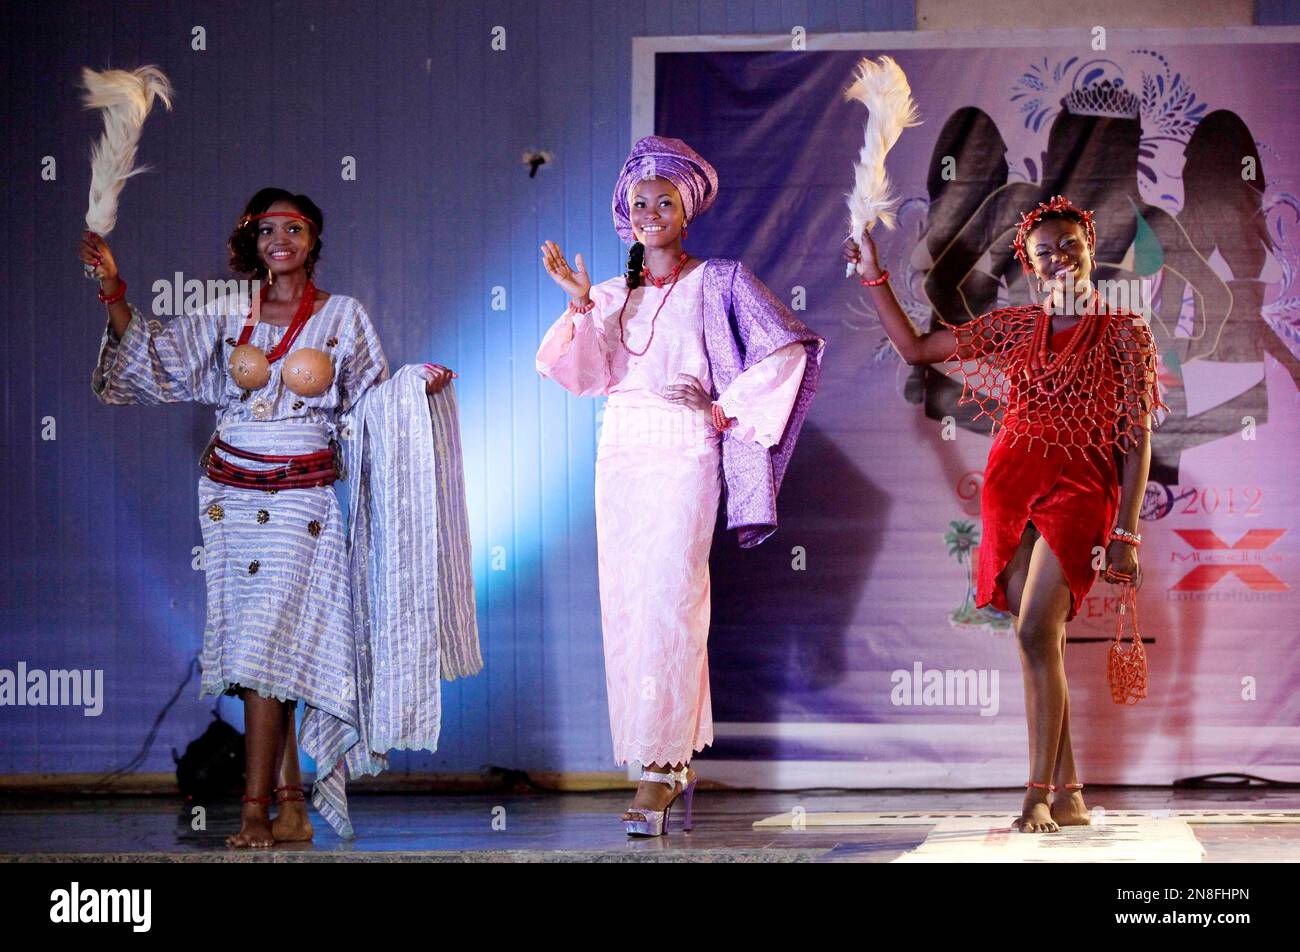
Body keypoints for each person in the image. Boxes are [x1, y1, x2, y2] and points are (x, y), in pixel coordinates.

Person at [83, 187, 469, 846]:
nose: (280, 240)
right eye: (267, 231)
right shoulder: (229, 311)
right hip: (231, 494)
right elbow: (156, 360)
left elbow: (368, 406)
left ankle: (254, 813)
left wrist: (412, 388)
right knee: (265, 650)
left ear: (314, 239)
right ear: (253, 244)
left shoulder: (344, 316)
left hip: (304, 501)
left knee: (268, 647)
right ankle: (292, 805)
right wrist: (115, 291)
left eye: (293, 228)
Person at [845, 195, 1165, 832]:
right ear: (1029, 262)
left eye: (1069, 244)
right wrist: (872, 274)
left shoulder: (1125, 331)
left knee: (1031, 633)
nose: (1058, 257)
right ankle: (1070, 792)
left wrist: (1126, 530)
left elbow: (1135, 440)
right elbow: (915, 349)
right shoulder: (1016, 327)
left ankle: (1036, 795)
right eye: (1043, 250)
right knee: (1040, 642)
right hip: (1010, 490)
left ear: (1090, 248)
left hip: (1081, 496)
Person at [536, 136, 823, 836]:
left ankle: (661, 771)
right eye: (639, 202)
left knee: (671, 598)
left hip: (684, 450)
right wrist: (580, 308)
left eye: (665, 201)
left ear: (687, 211)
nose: (650, 211)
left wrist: (731, 406)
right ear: (624, 215)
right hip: (621, 453)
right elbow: (582, 378)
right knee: (628, 606)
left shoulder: (719, 280)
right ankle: (650, 757)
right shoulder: (608, 294)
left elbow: (789, 347)